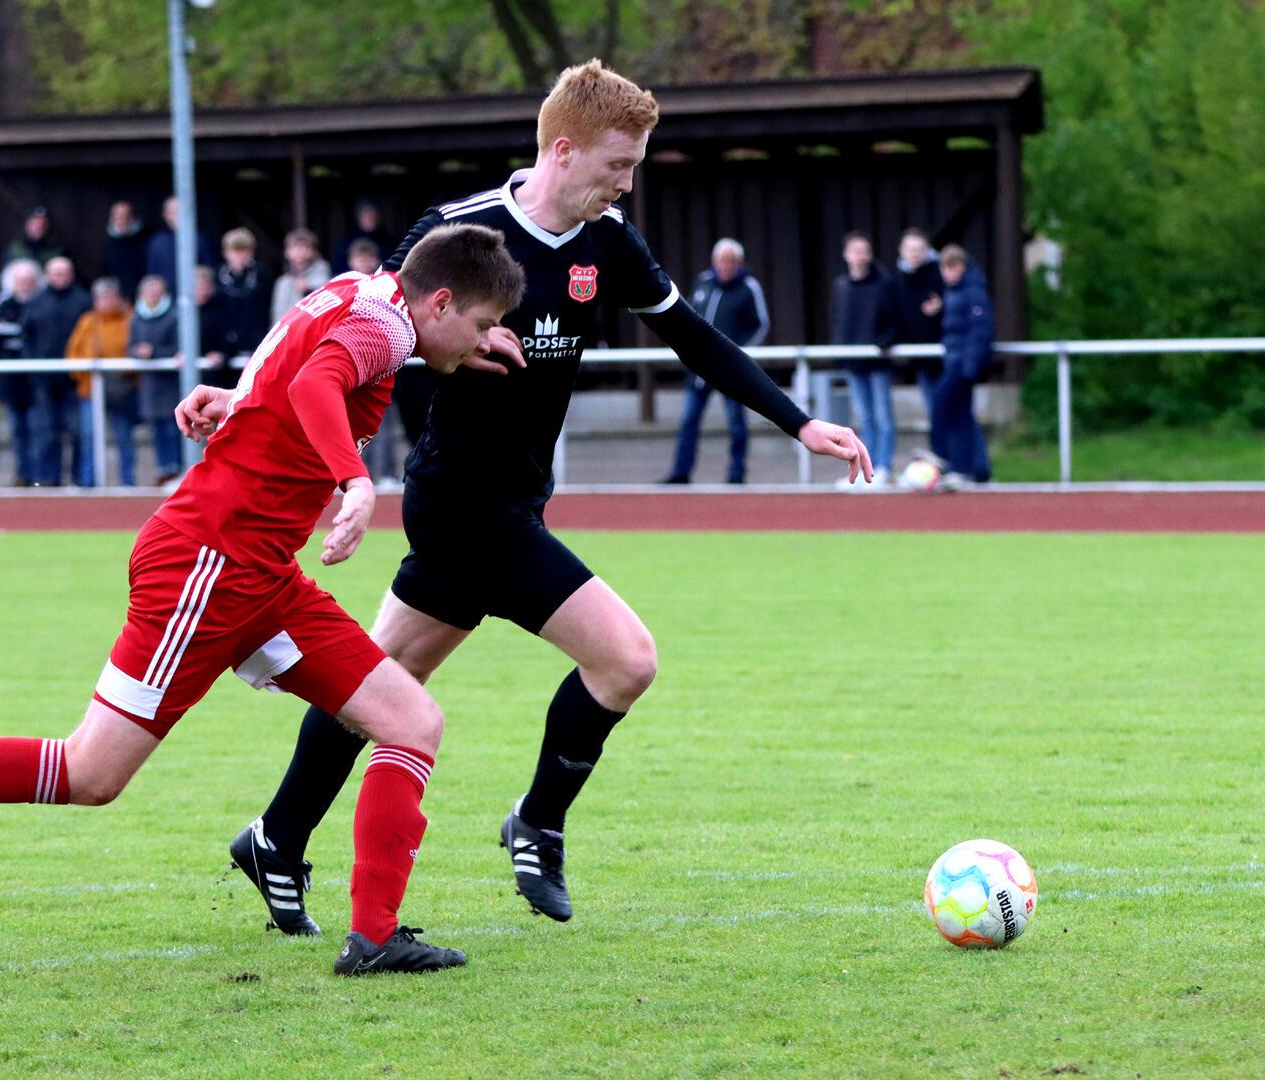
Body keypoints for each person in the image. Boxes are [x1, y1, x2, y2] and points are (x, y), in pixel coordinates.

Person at [0, 223, 527, 976]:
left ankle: (375, 936)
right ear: (441, 301)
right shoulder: (389, 329)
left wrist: (236, 399)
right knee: (89, 773)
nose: (483, 341)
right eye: (483, 325)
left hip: (260, 572)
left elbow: (292, 367)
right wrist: (355, 480)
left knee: (410, 720)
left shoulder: (360, 294)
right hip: (209, 563)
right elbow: (318, 380)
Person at [229, 60, 871, 936]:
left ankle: (274, 837)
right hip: (460, 500)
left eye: (636, 164)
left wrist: (800, 426)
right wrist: (259, 400)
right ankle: (538, 821)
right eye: (618, 163)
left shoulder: (609, 240)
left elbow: (692, 336)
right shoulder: (460, 232)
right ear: (562, 150)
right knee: (627, 659)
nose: (627, 181)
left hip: (516, 500)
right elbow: (353, 326)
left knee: (379, 682)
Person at [661, 238, 771, 484]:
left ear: (739, 263)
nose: (726, 265)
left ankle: (736, 473)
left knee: (736, 423)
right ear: (714, 262)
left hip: (730, 369)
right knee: (689, 421)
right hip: (700, 368)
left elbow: (760, 325)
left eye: (731, 261)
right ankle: (681, 472)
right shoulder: (704, 282)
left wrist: (738, 354)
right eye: (722, 260)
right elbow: (688, 315)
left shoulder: (748, 287)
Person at [831, 231, 900, 482]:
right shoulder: (841, 285)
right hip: (854, 362)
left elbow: (895, 320)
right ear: (846, 255)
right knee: (863, 416)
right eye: (856, 251)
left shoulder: (883, 284)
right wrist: (840, 352)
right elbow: (839, 322)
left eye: (864, 251)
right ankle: (864, 469)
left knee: (882, 415)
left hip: (878, 361)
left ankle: (883, 466)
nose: (860, 256)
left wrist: (885, 341)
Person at [19, 257, 91, 486]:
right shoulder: (37, 302)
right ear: (48, 276)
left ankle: (80, 479)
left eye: (64, 273)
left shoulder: (83, 300)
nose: (60, 277)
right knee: (46, 433)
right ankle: (48, 479)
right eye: (56, 273)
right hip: (45, 381)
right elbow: (26, 337)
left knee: (79, 432)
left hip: (74, 381)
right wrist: (33, 368)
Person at [66, 277, 135, 486]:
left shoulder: (129, 319)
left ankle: (127, 482)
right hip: (91, 390)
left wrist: (128, 373)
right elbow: (73, 353)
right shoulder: (87, 322)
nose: (105, 301)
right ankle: (89, 482)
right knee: (90, 437)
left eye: (110, 296)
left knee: (124, 436)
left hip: (121, 388)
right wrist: (85, 374)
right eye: (101, 297)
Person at [934, 245, 993, 483]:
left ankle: (946, 457)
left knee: (943, 408)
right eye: (945, 268)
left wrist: (971, 368)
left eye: (953, 267)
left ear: (963, 266)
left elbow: (980, 332)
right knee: (961, 416)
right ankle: (973, 468)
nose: (949, 273)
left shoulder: (973, 293)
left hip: (962, 367)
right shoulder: (951, 293)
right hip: (953, 362)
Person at [0, 260, 40, 484]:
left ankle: (39, 474)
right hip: (11, 379)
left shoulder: (39, 301)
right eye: (20, 281)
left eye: (28, 281)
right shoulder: (3, 302)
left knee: (38, 428)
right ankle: (22, 473)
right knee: (16, 429)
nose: (24, 285)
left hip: (36, 378)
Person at [126, 273, 184, 484]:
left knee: (173, 427)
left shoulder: (175, 316)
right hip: (149, 384)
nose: (152, 296)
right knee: (158, 428)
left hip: (170, 384)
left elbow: (179, 348)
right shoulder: (137, 317)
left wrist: (154, 352)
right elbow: (130, 347)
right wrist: (138, 352)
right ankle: (164, 469)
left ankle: (177, 469)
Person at [889, 227, 947, 432]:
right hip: (921, 358)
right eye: (910, 249)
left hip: (944, 354)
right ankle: (942, 457)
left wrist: (942, 307)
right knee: (933, 410)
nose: (915, 254)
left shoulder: (941, 273)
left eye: (919, 249)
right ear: (902, 251)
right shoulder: (896, 280)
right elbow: (897, 318)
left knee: (948, 410)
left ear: (927, 250)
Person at [214, 228, 269, 363]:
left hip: (255, 340)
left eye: (244, 250)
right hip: (227, 342)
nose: (240, 255)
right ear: (226, 253)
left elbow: (265, 310)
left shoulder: (261, 274)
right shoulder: (220, 276)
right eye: (235, 251)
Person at [144, 196, 216, 296]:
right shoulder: (157, 242)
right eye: (173, 212)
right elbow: (152, 275)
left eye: (181, 212)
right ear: (165, 215)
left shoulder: (200, 239)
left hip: (196, 298)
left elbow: (209, 270)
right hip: (166, 300)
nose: (178, 216)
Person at [269, 228, 333, 326]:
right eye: (295, 247)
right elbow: (277, 315)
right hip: (286, 335)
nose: (300, 251)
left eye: (305, 247)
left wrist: (308, 291)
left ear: (313, 251)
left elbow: (328, 310)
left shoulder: (323, 274)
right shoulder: (282, 282)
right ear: (287, 252)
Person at [192, 265, 235, 389]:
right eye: (198, 287)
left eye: (205, 286)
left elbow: (231, 337)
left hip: (219, 376)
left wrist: (223, 355)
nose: (202, 291)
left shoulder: (222, 309)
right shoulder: (184, 312)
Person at [99, 200, 152, 299]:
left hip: (143, 296)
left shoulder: (146, 241)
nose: (121, 221)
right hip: (118, 298)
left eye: (125, 217)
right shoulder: (108, 244)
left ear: (132, 217)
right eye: (117, 217)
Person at [2, 206, 64, 278]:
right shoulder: (14, 249)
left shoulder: (57, 250)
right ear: (27, 224)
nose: (39, 227)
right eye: (35, 223)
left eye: (43, 223)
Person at [336, 200, 392, 272]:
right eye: (366, 215)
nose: (365, 263)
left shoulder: (388, 242)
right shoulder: (344, 243)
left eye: (372, 215)